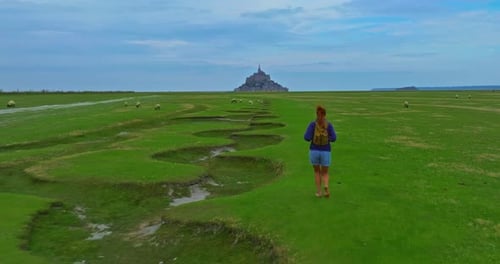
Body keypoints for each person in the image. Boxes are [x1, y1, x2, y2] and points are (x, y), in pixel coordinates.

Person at [304, 105, 337, 198]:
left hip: (314, 151)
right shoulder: (329, 125)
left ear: (316, 114)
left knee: (317, 172)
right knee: (325, 172)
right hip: (326, 151)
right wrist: (327, 139)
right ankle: (326, 186)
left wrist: (313, 138)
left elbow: (306, 137)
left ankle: (319, 192)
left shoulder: (312, 124)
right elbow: (334, 138)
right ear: (325, 114)